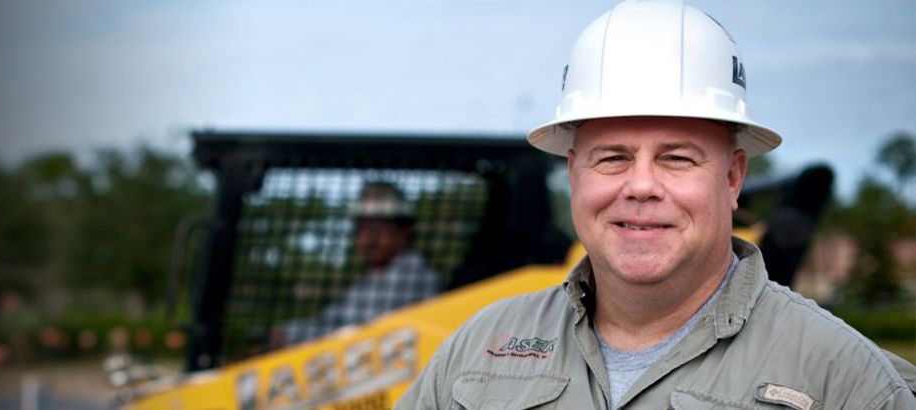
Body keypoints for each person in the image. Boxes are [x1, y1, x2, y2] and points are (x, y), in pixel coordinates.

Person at [395, 1, 915, 409]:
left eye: (677, 159)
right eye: (613, 158)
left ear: (733, 177)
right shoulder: (478, 351)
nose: (641, 186)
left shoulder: (844, 380)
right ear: (575, 174)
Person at [276, 181, 442, 346]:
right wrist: (286, 334)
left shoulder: (410, 275)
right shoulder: (368, 283)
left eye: (377, 227)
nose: (368, 238)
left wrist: (291, 336)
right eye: (362, 228)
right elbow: (329, 322)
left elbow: (359, 330)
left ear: (404, 229)